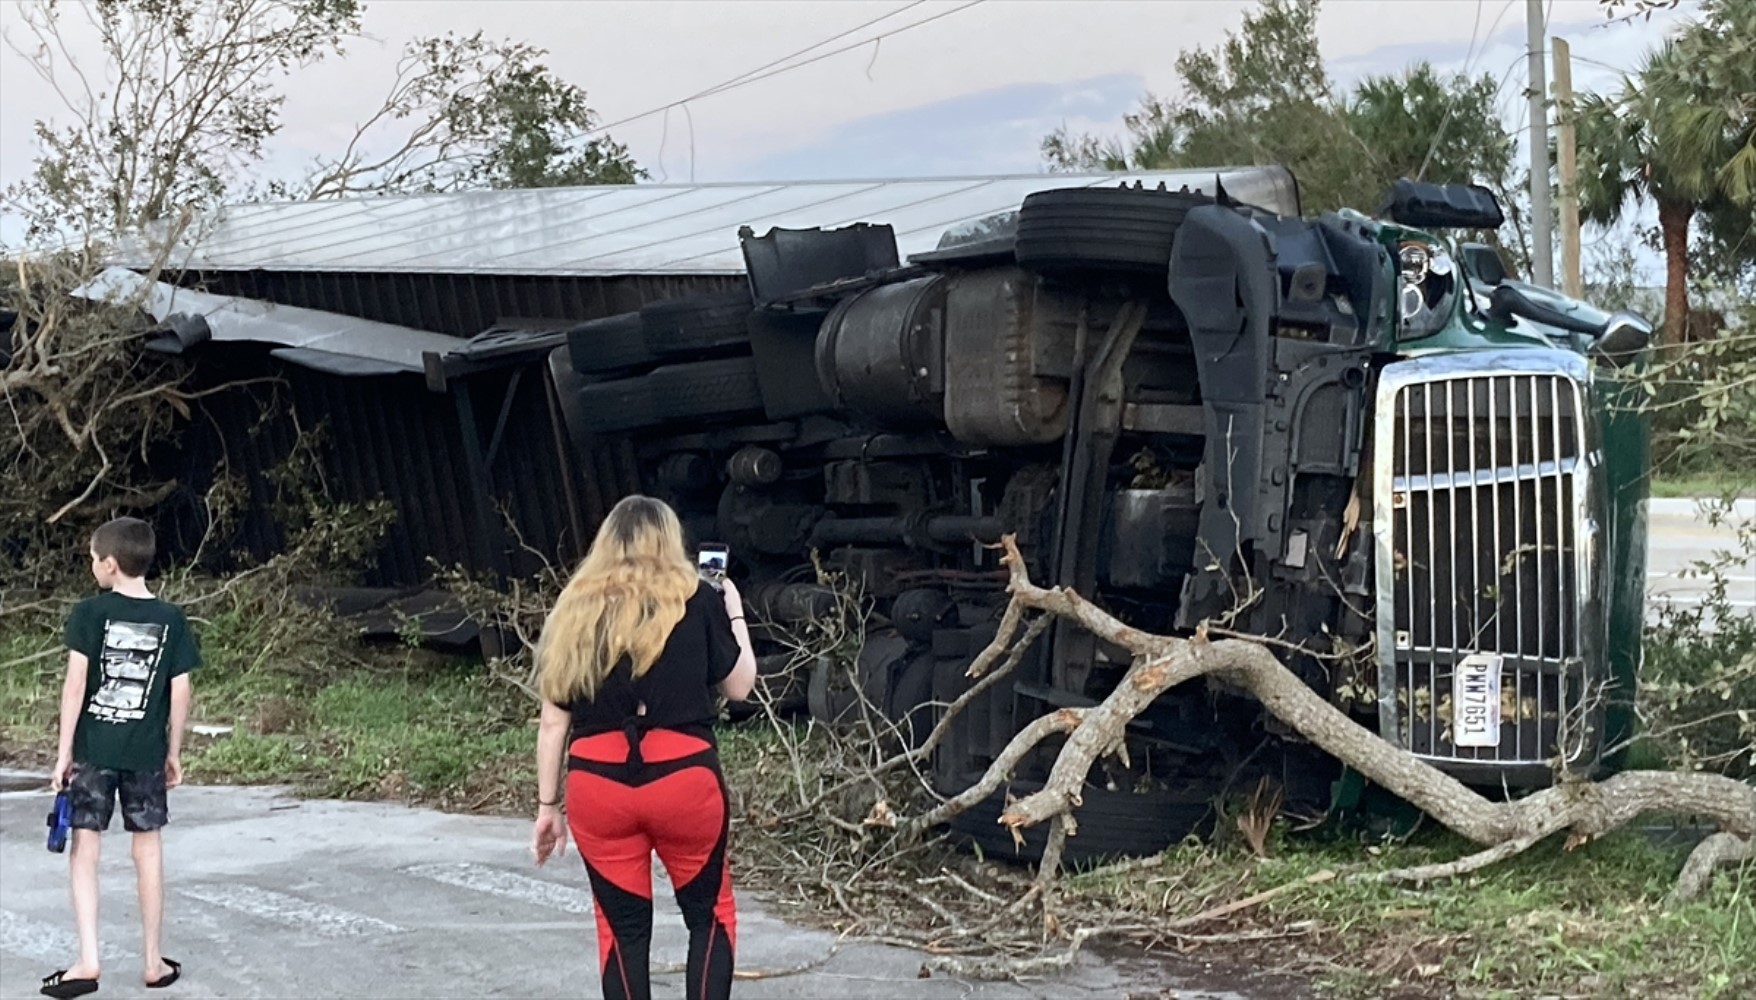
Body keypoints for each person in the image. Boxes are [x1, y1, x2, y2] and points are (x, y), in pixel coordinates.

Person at [531, 496, 757, 1000]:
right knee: (710, 917)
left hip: (598, 784)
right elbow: (740, 687)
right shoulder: (697, 598)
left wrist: (548, 808)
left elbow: (552, 722)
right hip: (684, 780)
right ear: (669, 541)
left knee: (622, 930)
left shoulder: (575, 607)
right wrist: (734, 614)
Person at [44, 517, 199, 999]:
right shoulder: (172, 619)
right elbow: (180, 691)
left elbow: (75, 686)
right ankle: (153, 962)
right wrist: (172, 751)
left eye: (93, 559)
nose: (92, 567)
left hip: (93, 750)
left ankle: (88, 962)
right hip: (145, 753)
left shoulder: (89, 614)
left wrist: (64, 751)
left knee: (85, 848)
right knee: (147, 850)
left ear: (109, 564)